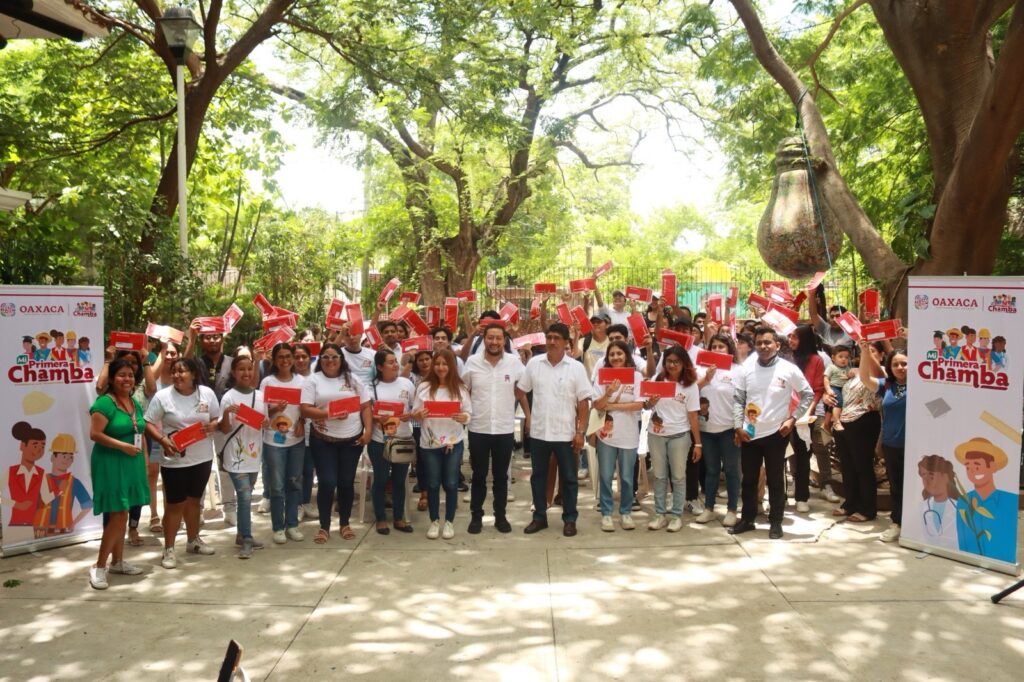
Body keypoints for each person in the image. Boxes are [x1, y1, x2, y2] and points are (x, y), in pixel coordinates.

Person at [730, 327, 813, 540]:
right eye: (759, 343)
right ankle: (747, 519)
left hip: (777, 433)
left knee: (776, 481)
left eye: (768, 342)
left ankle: (776, 522)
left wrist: (792, 419)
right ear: (755, 345)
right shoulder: (746, 369)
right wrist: (738, 426)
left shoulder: (788, 369)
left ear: (777, 345)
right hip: (749, 433)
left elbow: (807, 394)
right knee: (748, 479)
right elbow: (739, 399)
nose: (763, 347)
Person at [144, 357, 221, 570]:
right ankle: (168, 549)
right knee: (175, 504)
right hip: (174, 460)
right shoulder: (162, 397)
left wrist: (213, 425)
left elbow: (216, 417)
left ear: (194, 374)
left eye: (182, 371)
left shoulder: (207, 393)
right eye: (174, 371)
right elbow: (147, 422)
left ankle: (193, 540)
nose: (177, 375)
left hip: (202, 457)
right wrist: (162, 440)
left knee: (194, 501)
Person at [519, 323, 592, 537]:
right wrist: (528, 418)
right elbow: (521, 391)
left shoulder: (576, 367)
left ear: (566, 342)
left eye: (556, 338)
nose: (552, 341)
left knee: (569, 479)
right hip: (540, 432)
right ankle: (539, 517)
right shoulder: (534, 364)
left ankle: (569, 519)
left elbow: (583, 402)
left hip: (566, 433)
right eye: (549, 337)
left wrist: (580, 432)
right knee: (538, 477)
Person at [87, 358, 150, 588]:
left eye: (131, 375)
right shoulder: (104, 403)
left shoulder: (134, 402)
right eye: (122, 375)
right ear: (112, 379)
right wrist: (122, 446)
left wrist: (143, 460)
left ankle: (118, 562)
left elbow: (140, 431)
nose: (127, 379)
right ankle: (99, 567)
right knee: (119, 514)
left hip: (131, 462)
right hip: (110, 462)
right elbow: (95, 434)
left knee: (123, 513)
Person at [301, 343, 372, 544]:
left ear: (341, 359)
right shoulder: (312, 381)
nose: (330, 361)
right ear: (320, 360)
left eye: (334, 357)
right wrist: (329, 413)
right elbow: (305, 410)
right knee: (327, 482)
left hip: (352, 440)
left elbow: (366, 406)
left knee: (346, 482)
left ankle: (344, 523)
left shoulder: (353, 380)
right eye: (325, 357)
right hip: (323, 440)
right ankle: (324, 526)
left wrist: (368, 431)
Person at [462, 324, 529, 534]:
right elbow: (464, 390)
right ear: (484, 339)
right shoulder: (472, 362)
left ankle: (500, 516)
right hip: (478, 428)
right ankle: (476, 517)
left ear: (504, 340)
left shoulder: (514, 363)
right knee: (479, 475)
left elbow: (523, 389)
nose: (494, 342)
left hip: (503, 428)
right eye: (490, 338)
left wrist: (527, 414)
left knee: (501, 476)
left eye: (498, 338)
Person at [412, 348, 472, 540]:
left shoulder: (460, 388)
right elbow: (414, 412)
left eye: (445, 364)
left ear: (452, 366)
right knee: (433, 483)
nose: (440, 367)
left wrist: (464, 417)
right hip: (429, 443)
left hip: (453, 443)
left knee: (452, 482)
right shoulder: (423, 387)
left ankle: (449, 522)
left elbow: (469, 414)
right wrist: (418, 415)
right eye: (437, 363)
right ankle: (434, 520)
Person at [645, 345, 701, 531]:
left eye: (677, 361)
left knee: (678, 477)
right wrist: (649, 402)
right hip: (656, 435)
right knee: (659, 477)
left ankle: (676, 515)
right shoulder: (657, 379)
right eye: (669, 361)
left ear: (685, 363)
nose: (672, 365)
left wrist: (698, 443)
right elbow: (646, 405)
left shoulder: (691, 385)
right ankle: (660, 514)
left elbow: (693, 416)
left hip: (680, 436)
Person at [591, 340, 645, 531]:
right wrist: (609, 393)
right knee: (605, 475)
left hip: (629, 434)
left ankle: (626, 512)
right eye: (612, 354)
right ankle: (606, 513)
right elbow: (597, 404)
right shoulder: (601, 376)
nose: (616, 357)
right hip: (606, 434)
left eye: (619, 354)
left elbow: (639, 404)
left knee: (627, 477)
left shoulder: (636, 377)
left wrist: (612, 406)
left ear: (626, 356)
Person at [218, 355, 268, 558]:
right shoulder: (228, 397)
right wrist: (228, 414)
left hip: (254, 454)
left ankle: (241, 535)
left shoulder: (261, 396)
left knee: (246, 496)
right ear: (234, 372)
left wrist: (266, 423)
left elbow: (266, 423)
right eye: (241, 369)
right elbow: (224, 429)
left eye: (249, 369)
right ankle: (247, 538)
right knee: (245, 497)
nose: (246, 373)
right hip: (235, 456)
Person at [858, 344, 908, 542]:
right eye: (895, 364)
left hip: (915, 445)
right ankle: (897, 523)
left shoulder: (923, 386)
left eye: (904, 363)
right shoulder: (887, 385)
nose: (900, 367)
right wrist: (864, 352)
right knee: (896, 486)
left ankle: (916, 526)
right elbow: (864, 378)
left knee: (915, 487)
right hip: (891, 445)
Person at [831, 340, 885, 523]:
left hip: (865, 421)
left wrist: (866, 354)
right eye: (864, 350)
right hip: (845, 423)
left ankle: (867, 508)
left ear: (881, 355)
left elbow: (871, 375)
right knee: (847, 466)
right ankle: (850, 502)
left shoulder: (882, 374)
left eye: (872, 351)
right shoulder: (852, 374)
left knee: (863, 466)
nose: (866, 353)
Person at [259, 343, 306, 544]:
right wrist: (274, 409)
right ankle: (278, 527)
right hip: (273, 441)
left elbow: (306, 408)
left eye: (288, 356)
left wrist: (302, 422)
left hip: (296, 440)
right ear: (274, 360)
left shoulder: (302, 382)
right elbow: (261, 415)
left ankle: (292, 524)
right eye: (281, 357)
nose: (285, 361)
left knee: (294, 483)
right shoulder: (267, 382)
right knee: (277, 487)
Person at [787, 324, 837, 511]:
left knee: (804, 454)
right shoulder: (787, 359)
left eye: (795, 337)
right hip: (784, 414)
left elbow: (817, 390)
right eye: (790, 336)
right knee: (785, 455)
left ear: (805, 339)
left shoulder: (816, 360)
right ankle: (786, 491)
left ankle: (802, 497)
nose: (791, 340)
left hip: (806, 416)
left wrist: (808, 412)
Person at [367, 348, 416, 535]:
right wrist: (375, 418)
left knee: (399, 480)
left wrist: (409, 414)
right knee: (380, 479)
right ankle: (380, 518)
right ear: (380, 367)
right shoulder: (371, 387)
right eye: (390, 362)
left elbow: (416, 407)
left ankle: (399, 518)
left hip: (402, 439)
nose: (395, 364)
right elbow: (366, 413)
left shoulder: (406, 383)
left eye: (395, 361)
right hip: (379, 440)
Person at [695, 334, 741, 527]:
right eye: (714, 346)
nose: (717, 350)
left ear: (729, 349)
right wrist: (706, 379)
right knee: (711, 471)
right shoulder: (699, 369)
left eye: (721, 346)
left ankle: (731, 510)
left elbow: (743, 400)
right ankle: (709, 508)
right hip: (706, 430)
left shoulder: (739, 370)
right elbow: (690, 392)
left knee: (732, 471)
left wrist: (740, 427)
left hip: (729, 430)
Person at [954, 437, 1016, 563]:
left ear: (992, 467)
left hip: (1000, 567)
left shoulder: (1010, 501)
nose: (972, 471)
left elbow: (1008, 540)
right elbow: (963, 542)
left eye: (977, 465)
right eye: (968, 467)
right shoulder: (963, 502)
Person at [33, 433, 92, 539]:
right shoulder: (41, 480)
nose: (67, 460)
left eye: (70, 457)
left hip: (63, 532)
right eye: (64, 456)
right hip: (40, 532)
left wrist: (73, 523)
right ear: (52, 457)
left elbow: (88, 505)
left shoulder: (74, 482)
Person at [292, 343, 319, 521]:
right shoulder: (288, 379)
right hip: (291, 430)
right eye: (297, 357)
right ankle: (296, 504)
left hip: (313, 430)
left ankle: (306, 501)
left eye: (304, 357)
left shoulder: (316, 379)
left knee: (309, 469)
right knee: (296, 471)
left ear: (310, 358)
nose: (301, 360)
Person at [915, 454, 959, 552]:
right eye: (923, 476)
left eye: (931, 476)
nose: (926, 481)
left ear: (946, 477)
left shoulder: (961, 508)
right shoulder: (922, 507)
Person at [7, 422, 47, 528]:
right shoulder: (11, 472)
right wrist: (17, 505)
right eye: (35, 445)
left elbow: (46, 498)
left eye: (43, 446)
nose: (39, 450)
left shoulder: (42, 473)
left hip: (37, 526)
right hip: (15, 525)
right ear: (22, 446)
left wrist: (59, 490)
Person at [823, 345, 852, 434]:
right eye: (840, 357)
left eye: (846, 357)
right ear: (833, 358)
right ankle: (836, 421)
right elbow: (826, 378)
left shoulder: (848, 368)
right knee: (838, 403)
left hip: (844, 389)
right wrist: (828, 389)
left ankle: (826, 423)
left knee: (831, 407)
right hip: (835, 388)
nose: (844, 359)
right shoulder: (831, 367)